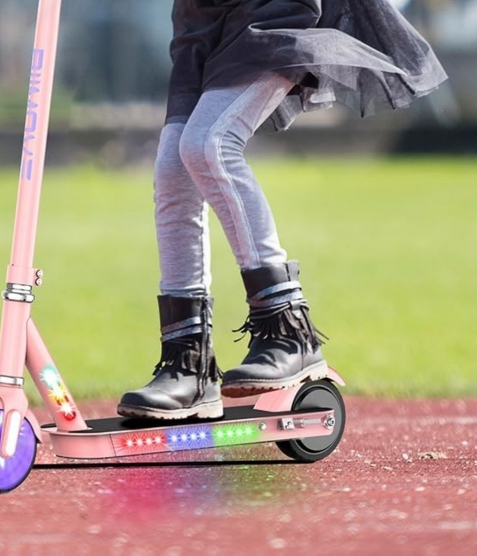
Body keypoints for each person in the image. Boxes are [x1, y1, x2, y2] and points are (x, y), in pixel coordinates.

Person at [117, 0, 447, 420]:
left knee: (209, 144)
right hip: (201, 16)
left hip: (269, 9)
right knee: (172, 172)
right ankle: (189, 366)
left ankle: (288, 333)